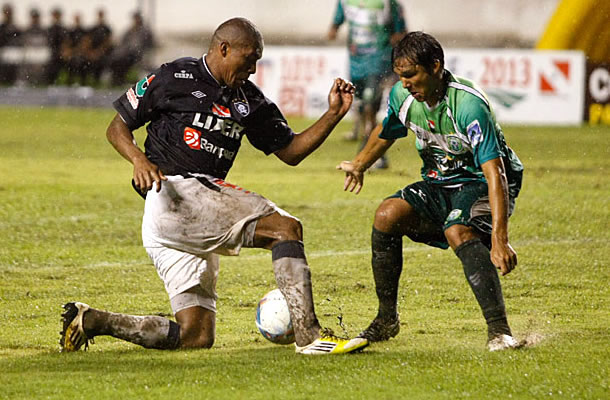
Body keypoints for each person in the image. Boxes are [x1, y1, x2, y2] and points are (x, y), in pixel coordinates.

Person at [60, 17, 368, 355]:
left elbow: (291, 151)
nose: (253, 68)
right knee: (286, 229)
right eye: (249, 58)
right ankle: (309, 337)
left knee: (196, 336)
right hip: (176, 194)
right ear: (223, 48)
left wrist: (332, 114)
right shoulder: (173, 77)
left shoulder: (249, 100)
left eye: (257, 60)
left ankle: (92, 321)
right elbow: (117, 127)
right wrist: (138, 159)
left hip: (183, 218)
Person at [337, 31, 524, 351]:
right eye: (400, 76)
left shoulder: (467, 105)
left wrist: (500, 239)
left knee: (458, 230)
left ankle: (500, 332)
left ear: (436, 67)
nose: (404, 83)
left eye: (411, 75)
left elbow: (496, 173)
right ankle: (386, 319)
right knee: (386, 214)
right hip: (439, 183)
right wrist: (360, 163)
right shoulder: (402, 95)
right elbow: (388, 129)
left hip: (480, 182)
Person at [328, 0, 406, 169]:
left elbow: (400, 29)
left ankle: (369, 151)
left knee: (371, 106)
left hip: (378, 60)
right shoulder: (346, 1)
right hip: (356, 63)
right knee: (362, 106)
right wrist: (333, 29)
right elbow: (338, 19)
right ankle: (376, 152)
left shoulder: (387, 2)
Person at [109, 11, 154, 86]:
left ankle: (120, 80)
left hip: (137, 54)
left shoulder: (145, 31)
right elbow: (122, 42)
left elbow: (148, 45)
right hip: (126, 53)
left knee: (124, 60)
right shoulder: (130, 30)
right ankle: (117, 79)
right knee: (116, 59)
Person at [84, 8, 112, 85]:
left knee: (100, 62)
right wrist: (90, 52)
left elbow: (108, 42)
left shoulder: (106, 28)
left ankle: (97, 80)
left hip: (103, 53)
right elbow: (87, 41)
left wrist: (99, 51)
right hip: (93, 53)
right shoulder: (93, 28)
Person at [45, 7, 68, 85]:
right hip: (52, 51)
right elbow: (48, 41)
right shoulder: (50, 28)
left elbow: (66, 41)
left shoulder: (63, 28)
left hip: (61, 51)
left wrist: (64, 51)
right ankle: (51, 82)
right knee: (51, 66)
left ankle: (61, 81)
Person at [0, 3, 20, 84]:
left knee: (14, 73)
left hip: (15, 54)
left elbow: (20, 40)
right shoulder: (2, 27)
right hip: (4, 53)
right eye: (6, 12)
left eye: (9, 12)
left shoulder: (16, 27)